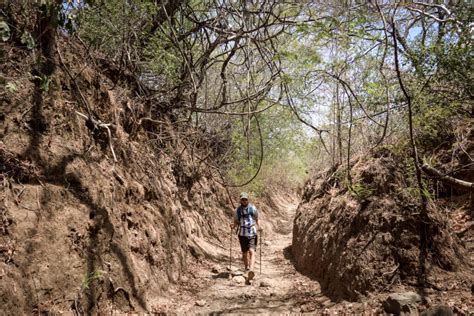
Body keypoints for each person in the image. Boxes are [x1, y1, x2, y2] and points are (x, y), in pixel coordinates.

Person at [231, 192, 261, 281]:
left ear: (248, 200)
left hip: (252, 232)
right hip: (242, 234)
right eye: (242, 199)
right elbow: (236, 222)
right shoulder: (237, 211)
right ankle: (246, 268)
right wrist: (233, 225)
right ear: (240, 200)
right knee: (245, 253)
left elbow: (257, 219)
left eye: (245, 199)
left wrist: (259, 226)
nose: (244, 201)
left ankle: (251, 270)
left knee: (252, 251)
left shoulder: (253, 208)